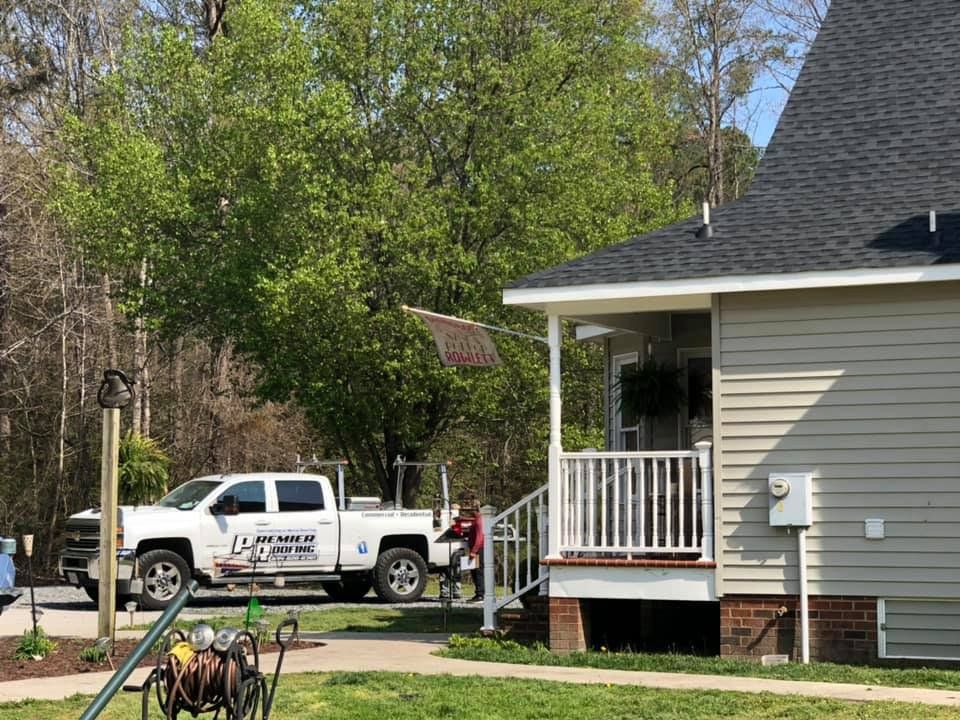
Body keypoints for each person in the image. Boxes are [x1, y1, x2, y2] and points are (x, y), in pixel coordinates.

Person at [453, 497, 485, 602]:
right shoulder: (476, 519)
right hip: (475, 548)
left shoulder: (479, 520)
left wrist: (474, 551)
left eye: (470, 508)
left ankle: (480, 594)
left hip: (478, 549)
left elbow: (480, 537)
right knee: (474, 571)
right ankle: (478, 593)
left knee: (478, 571)